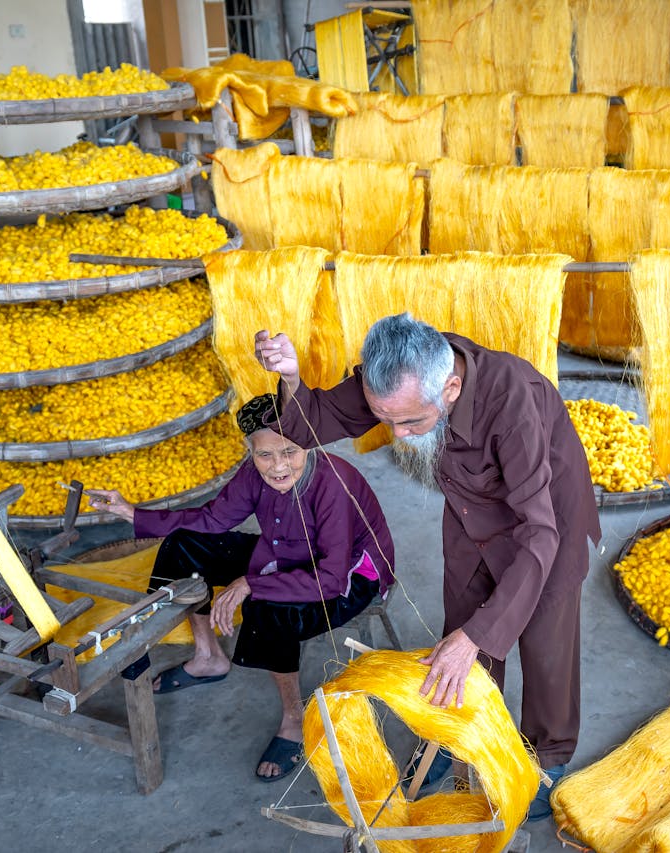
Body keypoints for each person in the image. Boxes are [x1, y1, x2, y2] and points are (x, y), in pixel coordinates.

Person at [254, 313, 599, 820]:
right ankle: (453, 738)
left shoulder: (512, 400)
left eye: (411, 421)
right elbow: (316, 422)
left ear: (452, 388)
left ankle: (546, 760)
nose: (397, 433)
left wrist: (480, 634)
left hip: (544, 519)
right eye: (385, 418)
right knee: (458, 624)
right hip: (468, 510)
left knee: (545, 644)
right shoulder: (396, 376)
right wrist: (289, 378)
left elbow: (538, 533)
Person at [87, 394, 395, 782]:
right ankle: (208, 657)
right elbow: (212, 519)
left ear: (309, 443)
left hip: (349, 578)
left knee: (271, 609)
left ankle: (293, 720)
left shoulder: (331, 483)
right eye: (265, 455)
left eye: (289, 451)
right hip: (284, 557)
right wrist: (131, 512)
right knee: (184, 546)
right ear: (249, 451)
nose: (279, 466)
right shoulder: (254, 474)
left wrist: (250, 583)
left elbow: (331, 579)